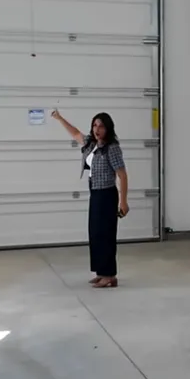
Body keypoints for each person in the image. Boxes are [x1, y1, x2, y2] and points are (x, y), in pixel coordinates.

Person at [51, 110, 129, 288]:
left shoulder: (112, 148)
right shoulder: (91, 145)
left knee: (106, 235)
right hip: (95, 193)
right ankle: (101, 272)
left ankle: (110, 275)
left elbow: (123, 176)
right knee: (95, 234)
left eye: (101, 126)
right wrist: (60, 118)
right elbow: (76, 133)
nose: (97, 129)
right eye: (95, 125)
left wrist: (123, 202)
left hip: (107, 195)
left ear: (108, 128)